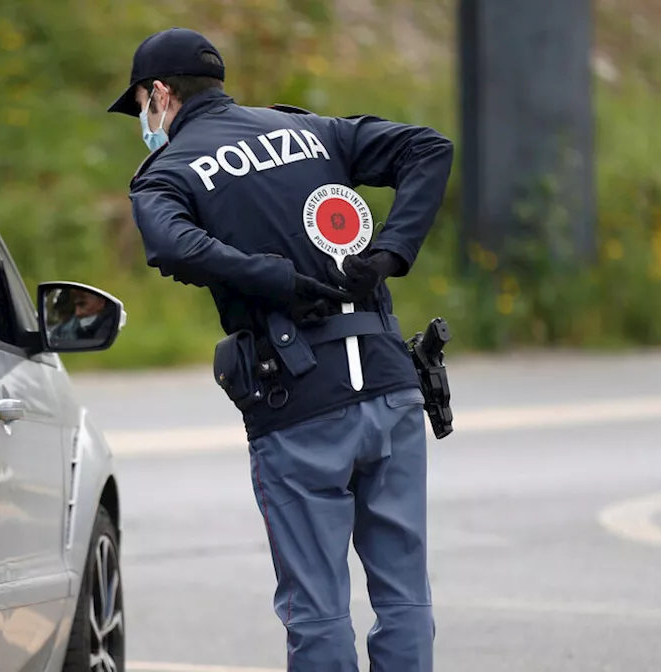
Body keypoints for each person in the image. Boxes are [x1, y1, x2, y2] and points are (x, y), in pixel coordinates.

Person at [108, 27, 454, 672]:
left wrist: (272, 279)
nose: (144, 123)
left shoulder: (168, 172)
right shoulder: (312, 130)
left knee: (317, 609)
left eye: (140, 108)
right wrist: (389, 253)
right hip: (389, 384)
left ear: (159, 94)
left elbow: (174, 246)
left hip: (298, 405)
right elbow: (428, 148)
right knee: (404, 595)